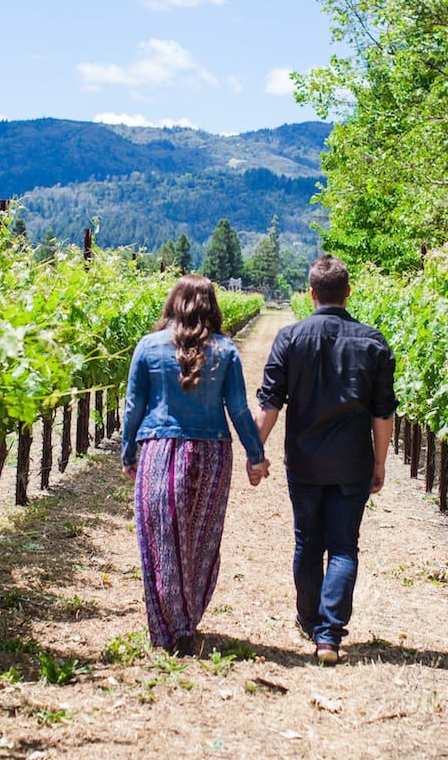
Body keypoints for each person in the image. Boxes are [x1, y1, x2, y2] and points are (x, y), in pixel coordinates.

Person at [255, 255, 396, 665]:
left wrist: (255, 449)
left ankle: (310, 618)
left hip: (304, 461)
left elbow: (270, 402)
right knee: (343, 547)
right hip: (353, 461)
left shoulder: (290, 337)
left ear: (311, 293)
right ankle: (330, 634)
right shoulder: (373, 341)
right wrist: (380, 462)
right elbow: (383, 411)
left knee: (307, 542)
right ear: (348, 293)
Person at [122, 275, 269, 655]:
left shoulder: (148, 346)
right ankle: (187, 620)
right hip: (211, 456)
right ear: (212, 307)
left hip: (159, 451)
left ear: (173, 303)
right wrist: (256, 456)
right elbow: (238, 409)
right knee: (201, 540)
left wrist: (128, 452)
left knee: (160, 540)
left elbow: (133, 407)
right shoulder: (225, 350)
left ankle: (171, 626)